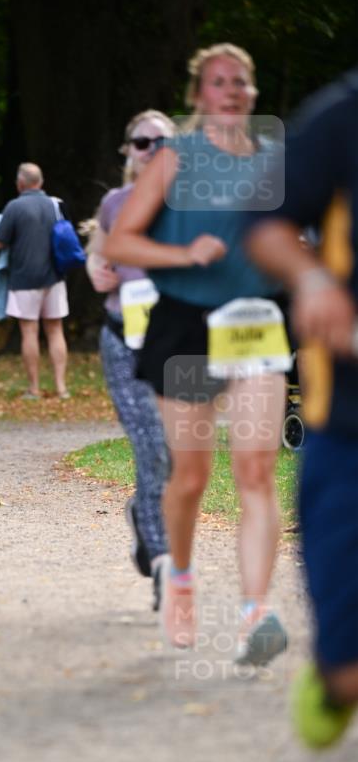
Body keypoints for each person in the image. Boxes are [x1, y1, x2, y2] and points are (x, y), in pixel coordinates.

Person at [105, 44, 290, 663]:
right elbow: (122, 239)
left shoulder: (276, 162)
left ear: (254, 94)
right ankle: (179, 576)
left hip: (257, 322)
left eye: (241, 81)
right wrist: (185, 254)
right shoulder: (174, 158)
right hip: (184, 325)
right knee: (191, 476)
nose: (232, 90)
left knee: (257, 471)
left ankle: (254, 614)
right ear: (198, 96)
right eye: (218, 82)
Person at [245, 69, 358, 746]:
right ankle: (337, 672)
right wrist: (312, 278)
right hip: (347, 419)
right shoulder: (344, 115)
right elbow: (264, 221)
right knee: (346, 674)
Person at [86, 110, 175, 610]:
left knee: (179, 457)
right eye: (143, 142)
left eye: (163, 143)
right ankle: (164, 563)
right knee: (149, 447)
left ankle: (145, 517)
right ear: (129, 151)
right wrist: (99, 270)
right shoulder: (115, 203)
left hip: (179, 342)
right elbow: (98, 258)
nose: (153, 151)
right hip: (125, 338)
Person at [0, 163, 70, 399]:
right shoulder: (55, 204)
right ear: (41, 182)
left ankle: (34, 388)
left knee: (29, 332)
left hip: (24, 277)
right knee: (56, 330)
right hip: (54, 277)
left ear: (20, 183)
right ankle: (61, 388)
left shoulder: (15, 207)